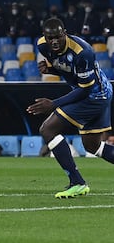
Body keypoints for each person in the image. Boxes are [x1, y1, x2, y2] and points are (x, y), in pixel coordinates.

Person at [27, 17, 114, 199]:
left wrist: (53, 104)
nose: (54, 41)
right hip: (94, 93)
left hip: (95, 95)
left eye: (58, 37)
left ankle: (77, 182)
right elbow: (68, 70)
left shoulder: (83, 52)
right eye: (50, 38)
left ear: (64, 34)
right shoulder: (42, 45)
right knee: (93, 146)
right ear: (45, 37)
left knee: (48, 129)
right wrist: (51, 70)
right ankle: (78, 183)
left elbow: (85, 89)